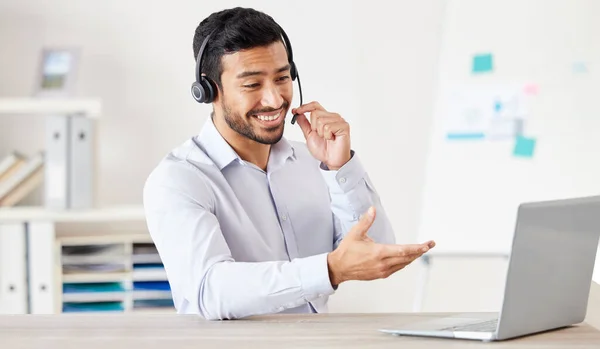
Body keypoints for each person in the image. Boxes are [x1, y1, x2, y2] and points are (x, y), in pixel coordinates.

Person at [143, 7, 435, 320]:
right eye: (252, 85)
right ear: (208, 89)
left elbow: (376, 250)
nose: (274, 99)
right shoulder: (179, 179)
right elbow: (210, 290)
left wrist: (340, 170)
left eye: (282, 78)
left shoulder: (313, 160)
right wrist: (328, 270)